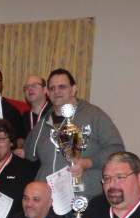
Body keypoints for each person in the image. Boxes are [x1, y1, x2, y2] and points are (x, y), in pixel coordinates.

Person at [23, 68, 124, 198]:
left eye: (62, 87)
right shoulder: (43, 123)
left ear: (74, 89)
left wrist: (88, 162)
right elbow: (29, 155)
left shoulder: (94, 115)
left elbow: (116, 149)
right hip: (49, 199)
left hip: (84, 196)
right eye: (52, 88)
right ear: (47, 92)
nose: (56, 92)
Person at [20, 75, 51, 141]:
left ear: (45, 90)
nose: (30, 89)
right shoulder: (24, 117)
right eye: (27, 87)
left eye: (34, 85)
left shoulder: (54, 112)